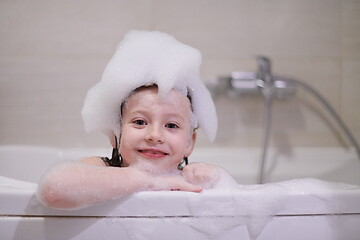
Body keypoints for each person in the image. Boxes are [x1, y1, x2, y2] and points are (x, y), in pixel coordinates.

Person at [37, 31, 237, 210]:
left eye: (171, 125)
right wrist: (146, 180)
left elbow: (235, 203)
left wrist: (214, 176)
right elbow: (54, 189)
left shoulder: (187, 179)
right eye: (140, 122)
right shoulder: (103, 169)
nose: (154, 136)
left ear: (189, 143)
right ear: (115, 134)